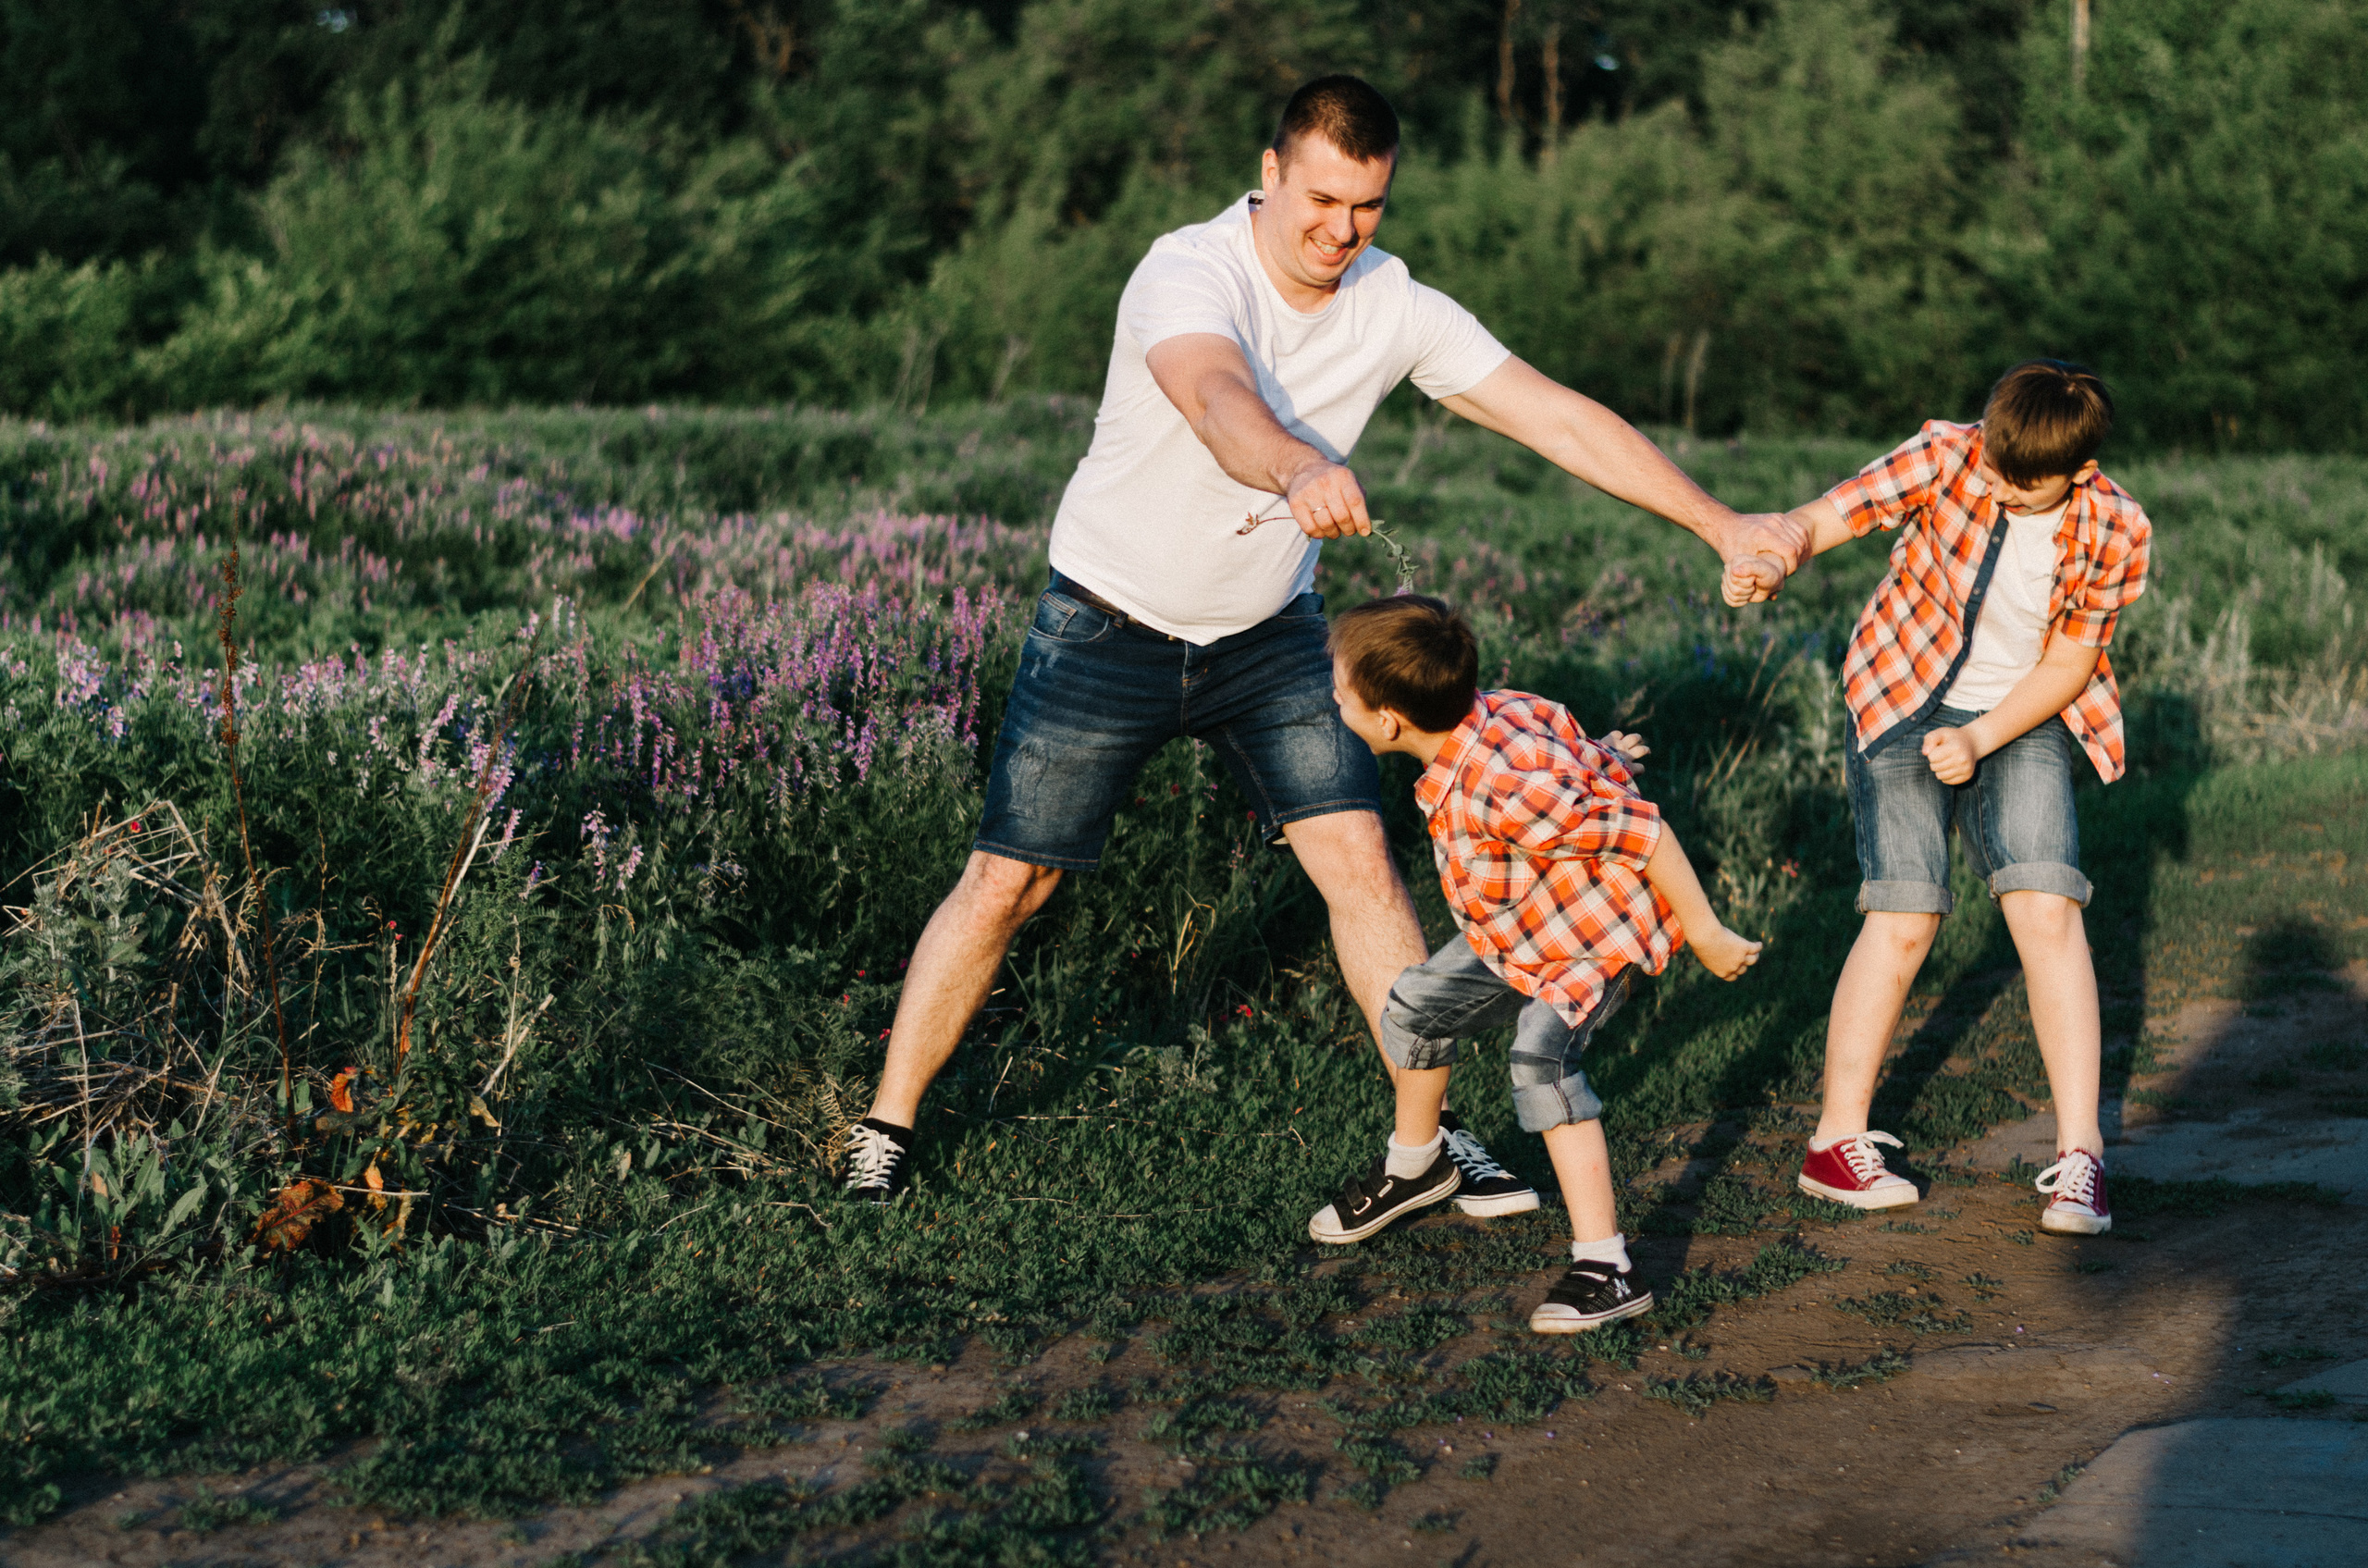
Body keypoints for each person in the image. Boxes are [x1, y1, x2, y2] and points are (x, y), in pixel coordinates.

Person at [841, 74, 1806, 1202]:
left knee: (1358, 864)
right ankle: (886, 1128)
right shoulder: (1186, 271)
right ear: (1269, 174)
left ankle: (1427, 1149)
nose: (1340, 232)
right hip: (1106, 622)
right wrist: (1298, 463)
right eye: (1321, 200)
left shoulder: (1395, 303)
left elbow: (1549, 413)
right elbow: (1212, 397)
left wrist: (1716, 519)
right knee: (1011, 881)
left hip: (1270, 635)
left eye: (1368, 208)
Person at [1723, 360, 2152, 1236]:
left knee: (2047, 906)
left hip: (2026, 708)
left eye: (2016, 484)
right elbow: (1826, 516)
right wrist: (1773, 555)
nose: (1990, 481)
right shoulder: (1947, 454)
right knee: (1906, 912)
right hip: (1900, 693)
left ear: (2076, 473)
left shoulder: (2115, 524)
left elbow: (2069, 664)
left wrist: (1982, 738)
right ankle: (1834, 1142)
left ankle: (2081, 1158)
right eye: (1990, 461)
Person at [1313, 595, 1763, 1331]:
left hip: (1589, 940)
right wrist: (1604, 755)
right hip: (1518, 929)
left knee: (1539, 1062)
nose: (1332, 697)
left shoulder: (1499, 784)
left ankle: (1608, 1266)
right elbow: (1563, 760)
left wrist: (1705, 929)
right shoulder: (1496, 712)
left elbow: (1642, 833)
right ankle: (1417, 1162)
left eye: (1341, 692)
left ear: (1388, 722)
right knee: (1415, 1006)